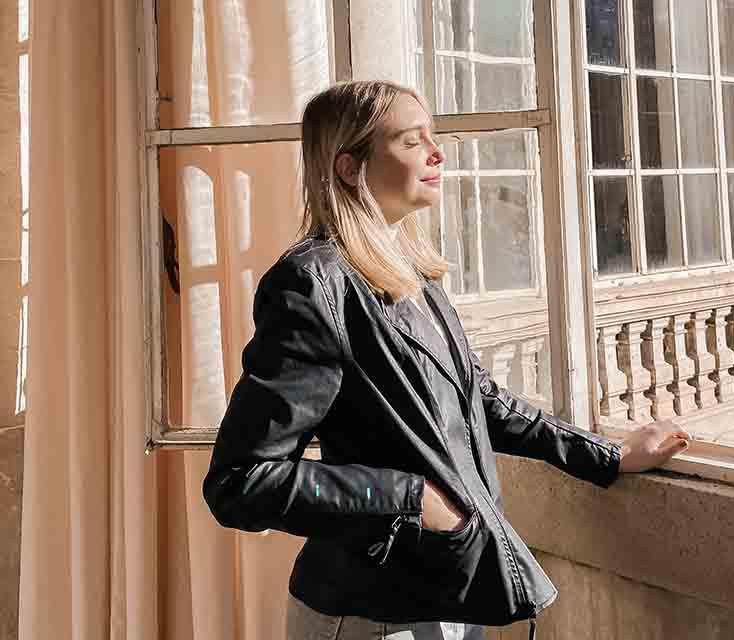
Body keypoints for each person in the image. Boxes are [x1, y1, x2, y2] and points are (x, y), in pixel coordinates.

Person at [202, 80, 691, 640]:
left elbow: (478, 402)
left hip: (451, 594)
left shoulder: (413, 273)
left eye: (432, 138)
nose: (438, 154)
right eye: (412, 141)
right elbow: (241, 481)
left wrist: (605, 455)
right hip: (372, 617)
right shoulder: (312, 286)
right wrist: (410, 498)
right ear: (349, 167)